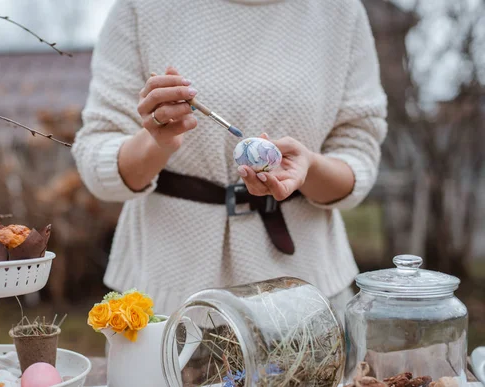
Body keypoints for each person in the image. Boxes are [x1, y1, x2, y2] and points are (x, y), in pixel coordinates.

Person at [72, 0, 387, 321]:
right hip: (166, 293)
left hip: (305, 302)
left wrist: (309, 169)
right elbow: (97, 157)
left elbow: (357, 151)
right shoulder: (142, 7)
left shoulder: (340, 11)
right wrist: (157, 142)